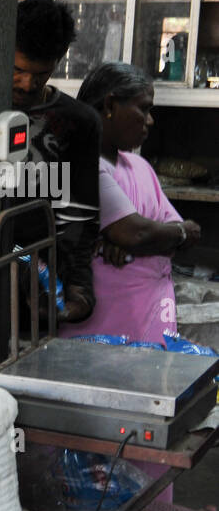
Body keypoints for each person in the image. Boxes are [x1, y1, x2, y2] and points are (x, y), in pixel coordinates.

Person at [60, 61, 201, 343]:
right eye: (144, 109)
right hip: (100, 336)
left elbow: (189, 232)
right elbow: (135, 233)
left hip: (150, 325)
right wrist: (150, 237)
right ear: (110, 105)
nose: (150, 121)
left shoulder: (138, 166)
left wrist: (166, 235)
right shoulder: (82, 167)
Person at [12, 0, 102, 326]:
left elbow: (79, 214)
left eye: (41, 74)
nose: (27, 84)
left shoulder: (79, 122)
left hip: (42, 285)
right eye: (17, 69)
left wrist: (79, 288)